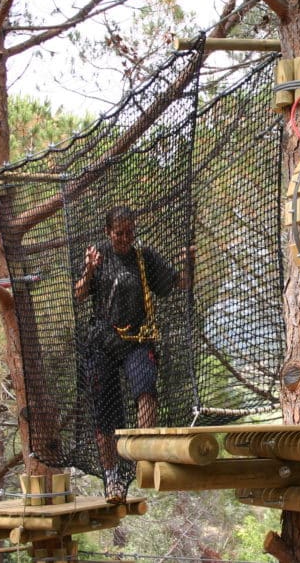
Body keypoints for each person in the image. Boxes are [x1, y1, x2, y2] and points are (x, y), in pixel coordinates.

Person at [74, 205, 192, 502]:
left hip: (137, 339)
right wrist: (89, 269)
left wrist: (188, 265)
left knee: (146, 388)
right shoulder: (98, 255)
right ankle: (112, 479)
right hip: (103, 342)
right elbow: (78, 294)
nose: (125, 238)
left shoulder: (144, 257)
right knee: (105, 416)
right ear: (107, 232)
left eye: (129, 232)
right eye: (119, 233)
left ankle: (144, 454)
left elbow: (178, 283)